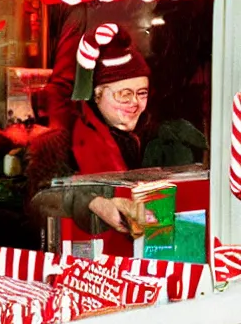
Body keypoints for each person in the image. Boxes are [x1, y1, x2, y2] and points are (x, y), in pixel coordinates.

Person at [28, 22, 205, 237]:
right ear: (98, 95)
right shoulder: (60, 143)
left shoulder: (161, 140)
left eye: (142, 93)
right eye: (124, 94)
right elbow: (37, 203)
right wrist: (92, 202)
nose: (135, 103)